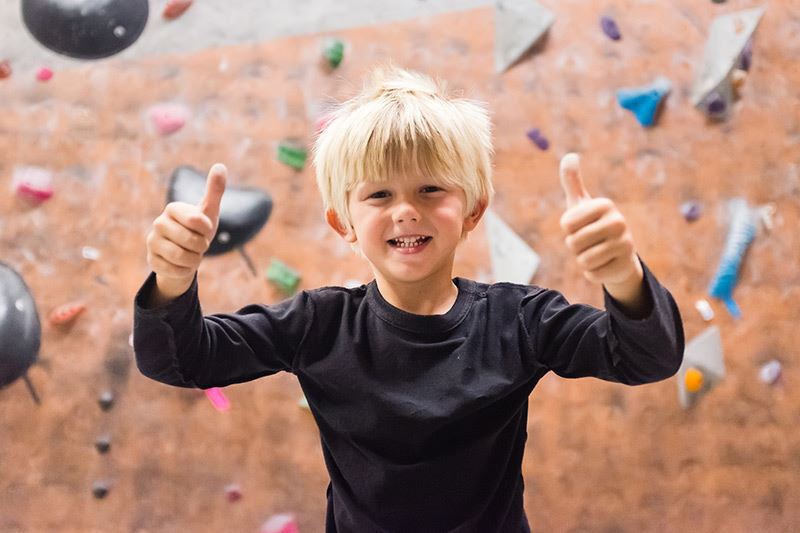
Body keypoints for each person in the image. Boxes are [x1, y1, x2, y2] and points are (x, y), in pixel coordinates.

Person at [133, 66, 685, 532]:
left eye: (430, 188)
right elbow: (182, 359)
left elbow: (645, 356)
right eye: (378, 194)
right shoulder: (318, 325)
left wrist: (623, 275)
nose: (405, 210)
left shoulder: (519, 320)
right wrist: (172, 279)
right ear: (343, 221)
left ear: (472, 210)